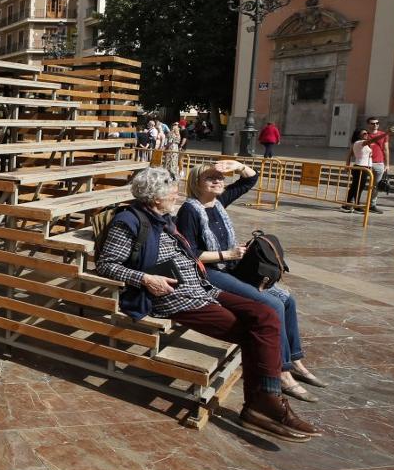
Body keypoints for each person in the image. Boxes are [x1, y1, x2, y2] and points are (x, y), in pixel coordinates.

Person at [96, 167, 319, 442]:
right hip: (173, 297)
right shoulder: (129, 222)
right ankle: (263, 405)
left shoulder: (164, 218)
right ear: (154, 198)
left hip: (203, 287)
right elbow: (106, 265)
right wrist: (145, 278)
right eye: (172, 192)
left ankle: (264, 403)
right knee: (254, 331)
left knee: (266, 313)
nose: (177, 196)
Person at [177, 161, 325, 402]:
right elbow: (190, 254)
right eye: (210, 178)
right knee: (272, 305)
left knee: (287, 300)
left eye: (220, 177)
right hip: (209, 272)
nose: (218, 181)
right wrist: (227, 254)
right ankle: (282, 373)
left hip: (231, 266)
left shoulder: (219, 203)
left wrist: (237, 165)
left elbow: (249, 180)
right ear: (196, 183)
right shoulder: (190, 210)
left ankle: (296, 361)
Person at [360, 117, 394, 213]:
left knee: (376, 186)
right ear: (368, 124)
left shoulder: (383, 134)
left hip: (379, 163)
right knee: (360, 184)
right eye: (372, 123)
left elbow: (386, 149)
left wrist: (387, 164)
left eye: (377, 123)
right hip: (365, 163)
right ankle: (354, 203)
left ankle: (372, 205)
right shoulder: (365, 135)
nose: (375, 125)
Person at [341, 129, 375, 212]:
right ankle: (352, 205)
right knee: (357, 187)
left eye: (367, 133)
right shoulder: (359, 142)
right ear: (358, 135)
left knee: (356, 187)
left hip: (364, 167)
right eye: (364, 133)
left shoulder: (365, 143)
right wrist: (347, 165)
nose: (366, 134)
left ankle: (350, 204)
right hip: (360, 167)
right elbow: (349, 155)